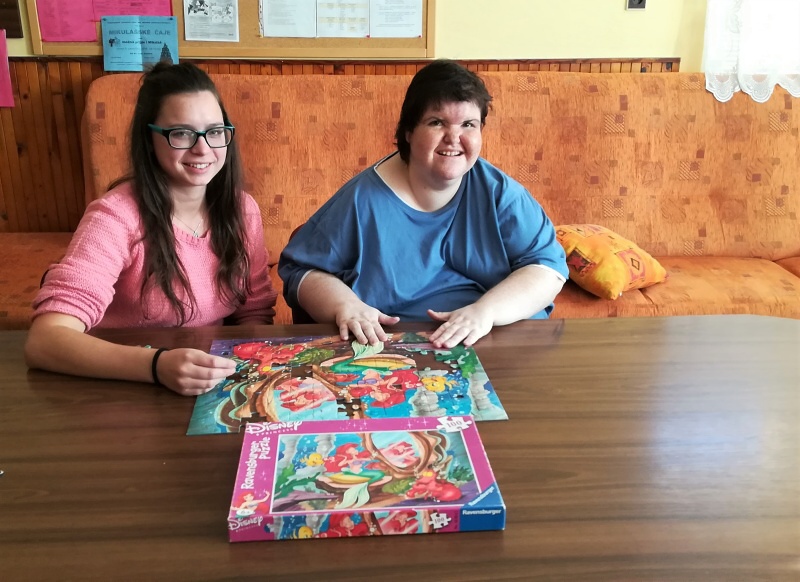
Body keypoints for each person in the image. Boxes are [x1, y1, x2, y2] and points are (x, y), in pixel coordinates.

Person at [24, 62, 277, 396]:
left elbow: (254, 312)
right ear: (149, 139)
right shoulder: (116, 215)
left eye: (215, 131)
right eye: (182, 133)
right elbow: (44, 341)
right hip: (119, 387)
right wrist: (158, 366)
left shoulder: (242, 209)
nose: (203, 148)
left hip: (207, 385)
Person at [278, 59, 567, 349]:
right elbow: (301, 272)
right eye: (437, 122)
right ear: (408, 131)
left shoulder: (500, 192)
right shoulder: (360, 200)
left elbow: (548, 269)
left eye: (468, 124)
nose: (454, 138)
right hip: (395, 348)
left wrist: (485, 312)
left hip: (491, 339)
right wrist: (346, 306)